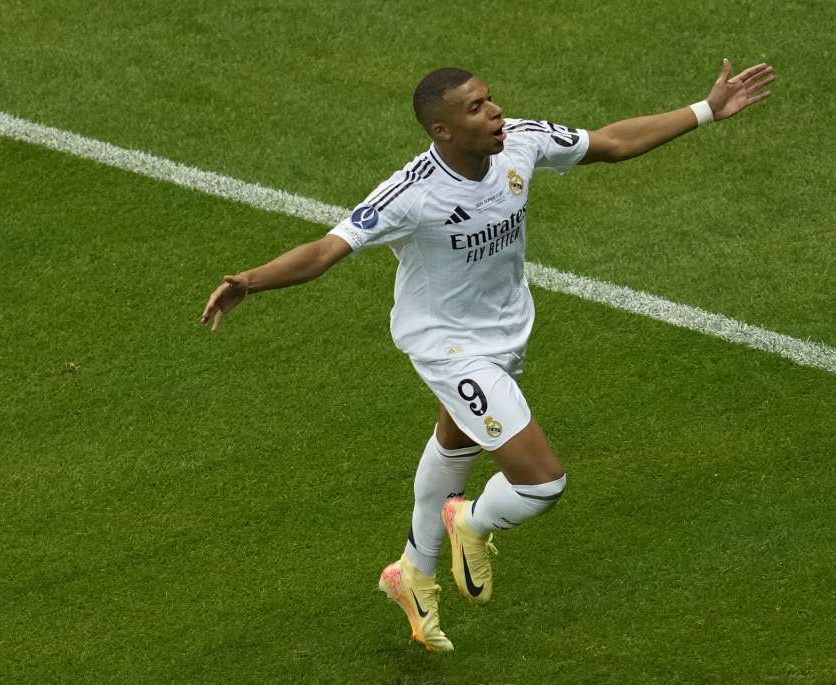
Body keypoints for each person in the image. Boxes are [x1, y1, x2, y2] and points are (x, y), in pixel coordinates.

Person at [199, 59, 775, 652]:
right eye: (475, 108)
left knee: (456, 442)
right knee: (541, 485)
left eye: (490, 99)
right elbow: (326, 249)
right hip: (447, 345)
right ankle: (468, 521)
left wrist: (706, 110)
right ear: (442, 131)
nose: (495, 111)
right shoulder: (411, 194)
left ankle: (411, 574)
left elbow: (611, 143)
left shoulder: (519, 143)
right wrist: (251, 279)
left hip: (506, 332)